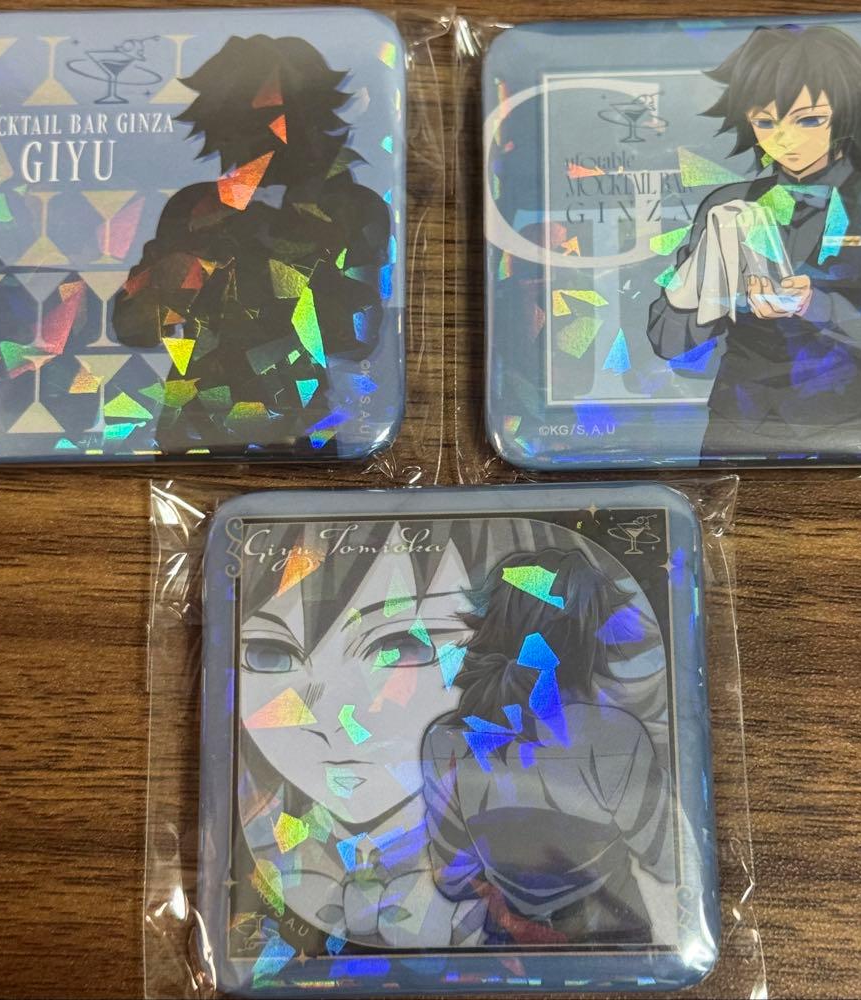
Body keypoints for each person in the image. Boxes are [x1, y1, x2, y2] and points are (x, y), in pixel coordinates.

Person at [647, 25, 861, 462]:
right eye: (765, 121)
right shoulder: (726, 205)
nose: (785, 139)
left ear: (845, 113)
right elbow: (667, 343)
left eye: (809, 119)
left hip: (851, 433)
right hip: (735, 430)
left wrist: (815, 306)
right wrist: (696, 282)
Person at [112, 35, 390, 457]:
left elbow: (357, 338)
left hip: (302, 430)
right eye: (240, 115)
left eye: (276, 114)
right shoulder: (192, 207)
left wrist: (279, 248)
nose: (262, 134)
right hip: (193, 430)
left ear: (311, 112)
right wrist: (175, 275)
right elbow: (133, 328)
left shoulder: (354, 208)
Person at [420, 547, 675, 946]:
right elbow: (669, 859)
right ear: (584, 636)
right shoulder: (613, 736)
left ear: (491, 623)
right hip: (613, 941)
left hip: (506, 945)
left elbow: (452, 877)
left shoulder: (446, 740)